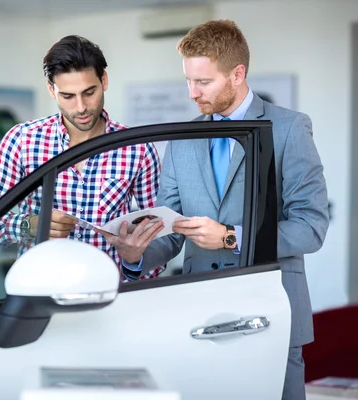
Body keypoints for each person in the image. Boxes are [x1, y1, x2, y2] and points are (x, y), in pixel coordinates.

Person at [100, 20, 329, 399]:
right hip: (200, 315)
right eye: (188, 81)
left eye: (203, 82)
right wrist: (136, 254)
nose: (192, 93)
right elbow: (169, 231)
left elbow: (311, 226)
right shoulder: (183, 138)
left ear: (237, 74)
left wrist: (229, 236)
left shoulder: (289, 129)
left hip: (271, 310)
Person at [0, 35, 164, 279]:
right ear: (51, 90)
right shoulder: (22, 140)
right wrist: (31, 225)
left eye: (89, 92)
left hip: (111, 293)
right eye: (68, 96)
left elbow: (159, 236)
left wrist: (135, 260)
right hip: (39, 290)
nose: (81, 107)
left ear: (104, 80)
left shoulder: (137, 148)